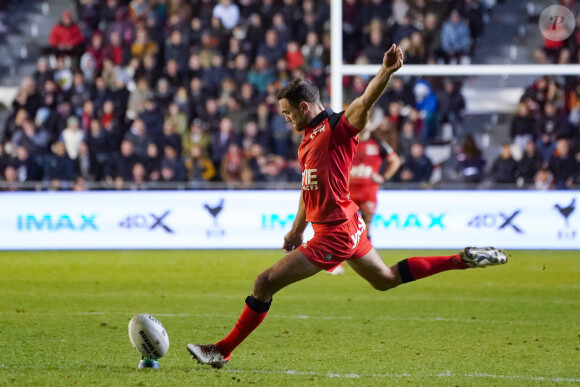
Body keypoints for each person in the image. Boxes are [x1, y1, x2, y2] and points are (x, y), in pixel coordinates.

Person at [186, 45, 508, 368]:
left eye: (287, 113)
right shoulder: (307, 140)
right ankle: (462, 259)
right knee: (386, 278)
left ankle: (222, 350)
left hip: (335, 233)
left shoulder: (338, 129)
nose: (285, 120)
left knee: (263, 283)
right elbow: (307, 188)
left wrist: (386, 71)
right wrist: (296, 230)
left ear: (303, 106)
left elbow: (365, 101)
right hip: (350, 225)